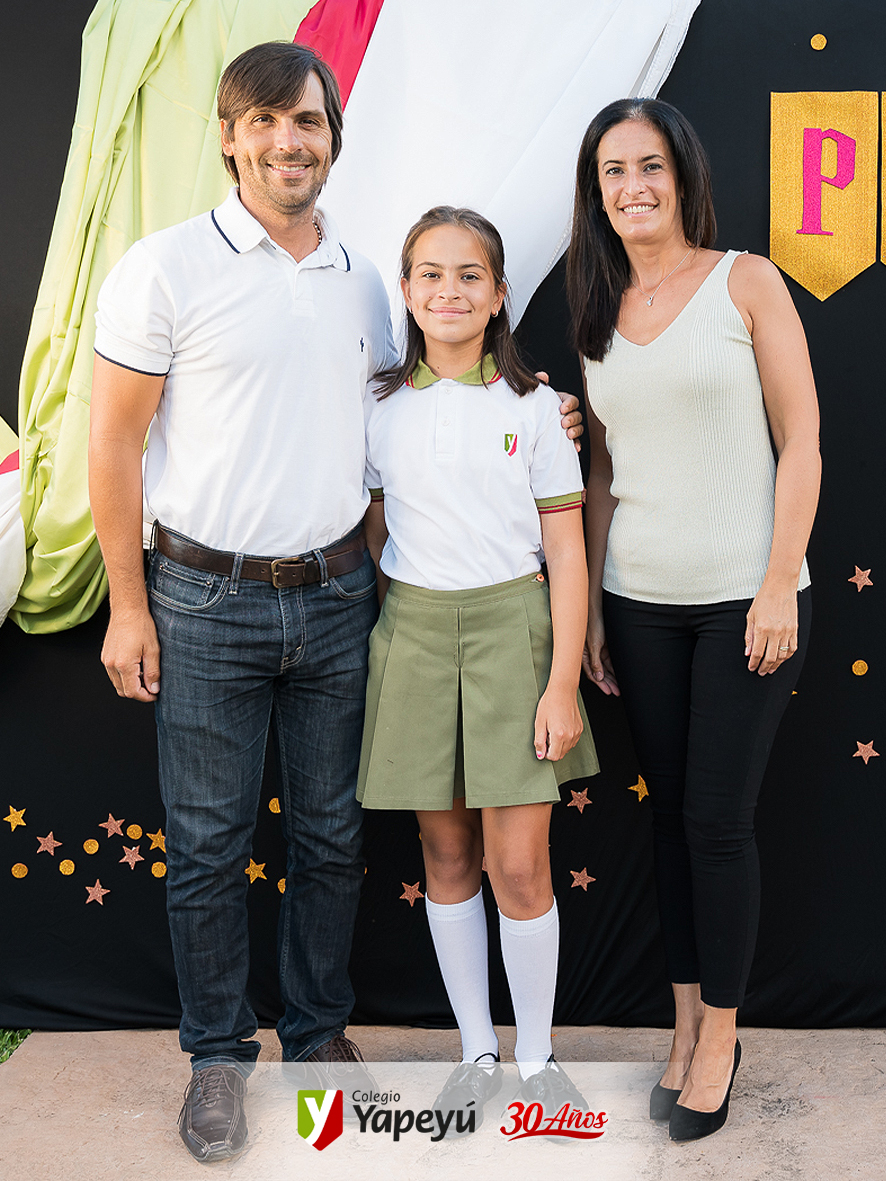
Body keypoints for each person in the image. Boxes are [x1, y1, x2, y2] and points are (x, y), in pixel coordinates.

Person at [88, 43, 583, 1163]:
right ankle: (219, 1056)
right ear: (229, 138)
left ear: (332, 137)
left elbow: (418, 416)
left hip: (340, 596)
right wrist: (128, 604)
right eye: (263, 122)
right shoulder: (163, 268)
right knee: (208, 844)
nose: (287, 141)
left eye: (306, 121)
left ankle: (315, 1034)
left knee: (329, 837)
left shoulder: (366, 277)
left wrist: (540, 415)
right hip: (203, 595)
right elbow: (112, 443)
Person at [569, 99, 820, 1143]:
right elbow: (601, 470)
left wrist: (777, 581)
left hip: (741, 601)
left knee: (717, 823)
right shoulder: (595, 306)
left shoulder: (745, 281)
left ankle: (720, 1036)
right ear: (596, 191)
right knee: (668, 818)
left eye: (650, 166)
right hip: (638, 601)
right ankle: (680, 1028)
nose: (632, 186)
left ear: (682, 176)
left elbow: (802, 439)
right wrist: (590, 606)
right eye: (613, 170)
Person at [358, 206, 599, 1129]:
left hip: (514, 637)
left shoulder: (535, 409)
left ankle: (537, 1060)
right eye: (429, 273)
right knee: (446, 852)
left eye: (470, 275)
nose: (448, 291)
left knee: (518, 860)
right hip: (415, 635)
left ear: (500, 294)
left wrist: (561, 681)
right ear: (406, 290)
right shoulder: (379, 407)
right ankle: (477, 1052)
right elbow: (376, 531)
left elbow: (566, 551)